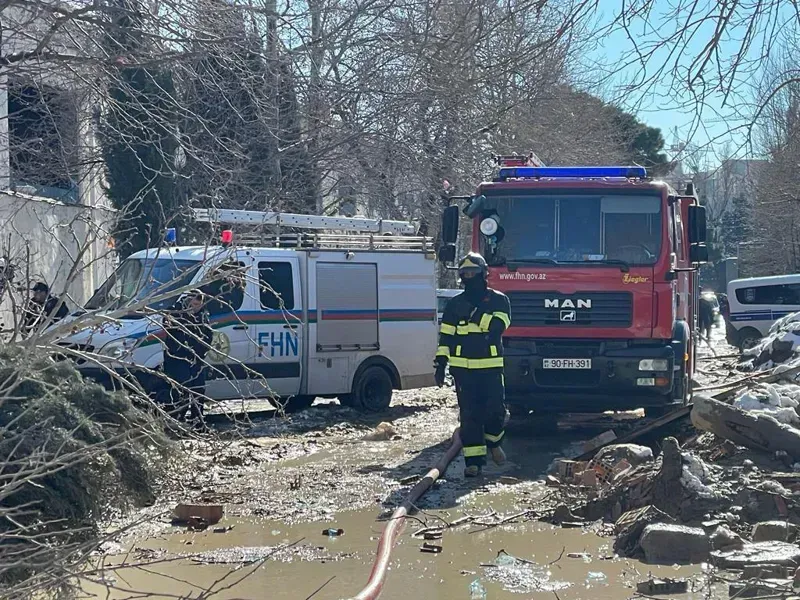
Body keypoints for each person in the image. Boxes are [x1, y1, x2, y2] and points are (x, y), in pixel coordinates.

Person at [434, 252, 512, 477]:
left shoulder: (499, 300)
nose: (469, 277)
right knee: (469, 416)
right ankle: (474, 462)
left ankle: (494, 443)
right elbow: (446, 336)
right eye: (465, 273)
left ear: (483, 274)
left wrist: (473, 315)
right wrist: (440, 363)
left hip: (490, 367)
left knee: (495, 411)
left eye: (473, 273)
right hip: (463, 370)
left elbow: (498, 326)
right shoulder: (454, 304)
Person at [162, 290, 214, 428]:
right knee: (182, 389)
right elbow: (168, 327)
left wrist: (200, 351)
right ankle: (177, 419)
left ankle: (198, 422)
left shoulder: (203, 315)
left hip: (196, 358)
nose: (195, 307)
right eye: (193, 304)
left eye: (198, 304)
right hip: (177, 359)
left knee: (199, 389)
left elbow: (208, 336)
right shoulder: (175, 313)